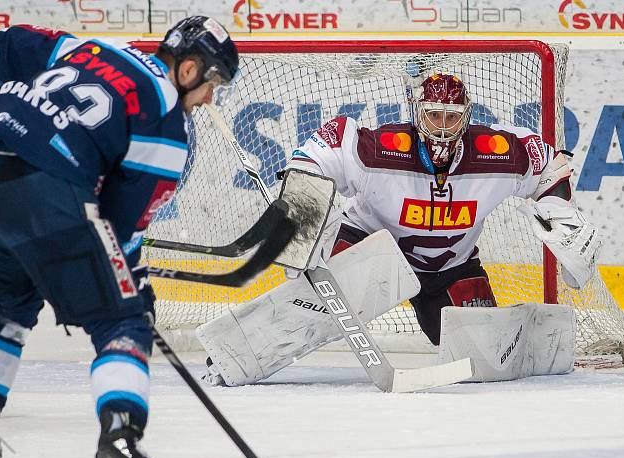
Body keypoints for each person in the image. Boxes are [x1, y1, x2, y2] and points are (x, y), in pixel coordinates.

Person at [0, 17, 238, 458]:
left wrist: (29, 125)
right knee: (123, 320)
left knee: (7, 307)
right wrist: (135, 291)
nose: (209, 100)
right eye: (212, 85)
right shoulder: (167, 118)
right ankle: (120, 446)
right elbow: (118, 232)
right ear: (188, 69)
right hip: (42, 198)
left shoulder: (96, 47)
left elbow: (12, 41)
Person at [199, 72, 599, 387]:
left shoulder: (498, 153)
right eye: (433, 115)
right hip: (369, 247)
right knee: (322, 297)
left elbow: (550, 168)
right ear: (416, 113)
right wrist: (301, 217)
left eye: (452, 117)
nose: (442, 127)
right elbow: (322, 152)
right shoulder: (379, 149)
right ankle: (237, 354)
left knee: (480, 360)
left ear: (468, 117)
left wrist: (562, 216)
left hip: (451, 270)